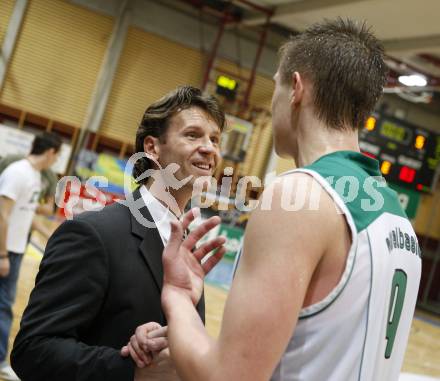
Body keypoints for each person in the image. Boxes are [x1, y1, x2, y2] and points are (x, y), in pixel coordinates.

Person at [150, 19, 422, 381]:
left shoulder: (299, 196)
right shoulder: (394, 214)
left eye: (275, 85)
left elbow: (228, 377)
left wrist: (178, 296)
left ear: (296, 88)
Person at [11, 86, 226, 381]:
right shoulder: (92, 234)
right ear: (152, 148)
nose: (210, 148)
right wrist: (131, 368)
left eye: (214, 139)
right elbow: (33, 350)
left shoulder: (190, 244)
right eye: (193, 135)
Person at [0, 132, 62, 381]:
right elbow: (2, 215)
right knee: (4, 305)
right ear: (50, 152)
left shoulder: (34, 176)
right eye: (56, 156)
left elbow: (26, 215)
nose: (55, 161)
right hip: (5, 251)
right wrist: (3, 254)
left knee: (4, 304)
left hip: (14, 249)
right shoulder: (18, 172)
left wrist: (53, 236)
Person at [0, 153, 59, 240]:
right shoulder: (13, 164)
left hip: (23, 232)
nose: (57, 160)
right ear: (50, 152)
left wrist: (29, 205)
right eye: (57, 155)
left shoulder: (49, 176)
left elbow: (49, 209)